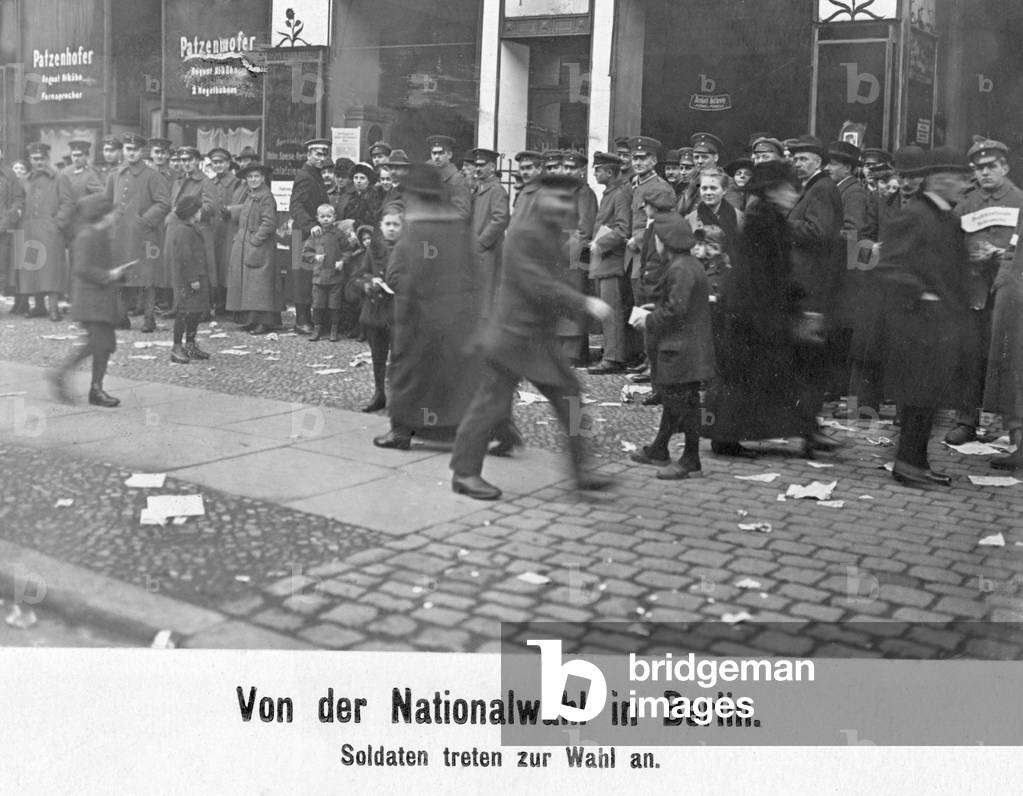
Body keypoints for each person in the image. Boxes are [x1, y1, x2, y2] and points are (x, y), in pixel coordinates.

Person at [449, 173, 614, 500]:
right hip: (512, 337)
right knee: (490, 406)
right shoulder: (525, 232)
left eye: (568, 201)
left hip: (536, 339)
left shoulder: (552, 232)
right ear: (539, 199)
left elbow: (558, 275)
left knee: (570, 400)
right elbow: (536, 282)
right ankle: (465, 474)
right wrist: (583, 303)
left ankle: (583, 473)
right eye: (557, 199)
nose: (563, 206)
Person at [876, 147, 978, 487]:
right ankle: (907, 466)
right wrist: (923, 294)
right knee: (919, 399)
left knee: (927, 399)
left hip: (938, 324)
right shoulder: (916, 214)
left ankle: (915, 462)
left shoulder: (943, 216)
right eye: (961, 179)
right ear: (941, 180)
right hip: (919, 324)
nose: (965, 185)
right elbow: (890, 266)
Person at [706, 160, 817, 458]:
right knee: (745, 376)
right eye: (787, 190)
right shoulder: (765, 222)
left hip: (754, 307)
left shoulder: (768, 218)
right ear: (772, 192)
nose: (793, 195)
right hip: (752, 310)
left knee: (761, 373)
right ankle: (725, 438)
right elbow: (764, 273)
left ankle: (806, 431)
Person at [372, 164, 481, 450]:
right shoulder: (455, 225)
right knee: (447, 376)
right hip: (453, 317)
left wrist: (401, 291)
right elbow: (471, 270)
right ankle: (451, 429)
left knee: (408, 373)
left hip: (418, 316)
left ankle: (400, 432)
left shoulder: (418, 227)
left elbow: (405, 273)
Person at [943, 138, 1023, 446]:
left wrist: (998, 252)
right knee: (968, 356)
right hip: (973, 292)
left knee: (1011, 358)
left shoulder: (1019, 200)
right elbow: (949, 244)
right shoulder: (966, 204)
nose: (985, 173)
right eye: (979, 168)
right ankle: (966, 421)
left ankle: (1015, 427)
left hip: (1008, 294)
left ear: (1005, 167)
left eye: (991, 167)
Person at [628, 212, 716, 479]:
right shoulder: (688, 264)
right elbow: (681, 305)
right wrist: (656, 308)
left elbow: (676, 311)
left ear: (663, 242)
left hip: (681, 348)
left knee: (684, 403)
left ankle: (691, 459)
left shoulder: (679, 268)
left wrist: (648, 319)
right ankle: (659, 448)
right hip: (686, 346)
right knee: (674, 400)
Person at [786, 134, 844, 449]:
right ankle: (806, 426)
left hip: (813, 288)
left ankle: (809, 427)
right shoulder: (811, 188)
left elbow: (820, 232)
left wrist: (784, 225)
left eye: (804, 158)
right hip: (805, 287)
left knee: (808, 359)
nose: (798, 162)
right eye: (794, 158)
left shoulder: (822, 189)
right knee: (804, 357)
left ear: (819, 162)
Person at [49, 194, 130, 407]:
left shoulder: (99, 233)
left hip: (99, 299)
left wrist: (116, 274)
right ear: (103, 214)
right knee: (100, 343)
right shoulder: (87, 236)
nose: (115, 216)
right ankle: (64, 376)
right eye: (112, 212)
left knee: (104, 345)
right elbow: (82, 268)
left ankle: (94, 389)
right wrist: (109, 276)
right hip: (91, 301)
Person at [105, 133, 171, 331]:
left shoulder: (152, 175)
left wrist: (145, 221)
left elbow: (164, 203)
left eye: (135, 149)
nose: (131, 153)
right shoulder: (114, 175)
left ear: (142, 151)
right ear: (123, 150)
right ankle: (121, 317)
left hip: (146, 236)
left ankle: (149, 318)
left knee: (147, 278)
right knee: (123, 276)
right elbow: (106, 202)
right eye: (127, 149)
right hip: (120, 236)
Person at [347, 211, 403, 413]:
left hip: (399, 313)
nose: (391, 228)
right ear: (380, 226)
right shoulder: (374, 249)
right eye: (387, 224)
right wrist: (369, 283)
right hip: (375, 312)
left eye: (396, 225)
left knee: (399, 359)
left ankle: (398, 399)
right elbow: (357, 277)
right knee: (378, 357)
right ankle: (379, 394)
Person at [587, 151, 632, 375]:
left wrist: (601, 243)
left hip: (612, 261)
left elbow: (624, 229)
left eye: (598, 170)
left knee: (612, 310)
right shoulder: (610, 193)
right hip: (603, 260)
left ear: (610, 172)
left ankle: (614, 358)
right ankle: (611, 354)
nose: (595, 173)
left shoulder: (620, 194)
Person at [226, 163, 283, 335]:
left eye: (256, 176)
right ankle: (252, 319)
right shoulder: (252, 195)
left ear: (263, 178)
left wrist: (256, 240)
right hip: (249, 244)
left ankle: (264, 322)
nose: (253, 180)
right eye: (250, 177)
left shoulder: (266, 197)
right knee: (251, 284)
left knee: (261, 284)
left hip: (261, 247)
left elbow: (269, 222)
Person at [17, 142, 72, 322]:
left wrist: (58, 223)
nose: (38, 162)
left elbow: (68, 203)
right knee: (32, 268)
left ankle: (54, 308)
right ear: (30, 159)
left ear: (47, 159)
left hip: (50, 231)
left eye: (41, 158)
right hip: (29, 230)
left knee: (51, 270)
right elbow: (20, 201)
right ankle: (38, 306)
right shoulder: (26, 179)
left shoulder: (59, 178)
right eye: (34, 159)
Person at [165, 146, 217, 330]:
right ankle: (178, 305)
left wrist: (189, 214)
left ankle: (202, 309)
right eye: (182, 160)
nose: (185, 163)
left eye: (189, 159)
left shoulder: (205, 181)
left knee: (198, 270)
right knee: (178, 267)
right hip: (178, 230)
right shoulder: (178, 181)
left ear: (197, 161)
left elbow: (211, 207)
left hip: (197, 231)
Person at [289, 138, 331, 335]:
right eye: (318, 154)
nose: (322, 158)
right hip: (302, 233)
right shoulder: (305, 176)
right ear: (308, 155)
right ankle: (302, 321)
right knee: (302, 276)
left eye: (324, 154)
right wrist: (311, 224)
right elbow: (295, 206)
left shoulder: (315, 175)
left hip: (308, 233)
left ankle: (307, 320)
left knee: (307, 275)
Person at [165, 195, 212, 363]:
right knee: (184, 313)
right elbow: (185, 257)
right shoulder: (184, 230)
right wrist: (193, 278)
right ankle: (177, 347)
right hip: (189, 279)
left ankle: (190, 344)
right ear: (193, 212)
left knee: (195, 312)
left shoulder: (189, 227)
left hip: (196, 277)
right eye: (199, 210)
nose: (201, 213)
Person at [303, 205, 356, 342]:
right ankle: (317, 329)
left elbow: (348, 250)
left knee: (334, 305)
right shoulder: (315, 234)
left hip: (335, 276)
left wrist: (342, 261)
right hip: (319, 276)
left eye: (328, 216)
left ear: (334, 218)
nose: (326, 219)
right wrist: (315, 257)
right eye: (322, 217)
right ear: (317, 218)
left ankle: (334, 330)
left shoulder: (339, 234)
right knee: (317, 304)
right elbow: (306, 252)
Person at [470, 148, 510, 314]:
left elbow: (500, 219)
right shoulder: (480, 189)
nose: (477, 169)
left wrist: (481, 242)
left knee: (486, 303)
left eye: (482, 165)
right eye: (476, 165)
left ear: (492, 167)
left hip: (487, 253)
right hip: (477, 252)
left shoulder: (497, 190)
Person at [207, 147, 244, 316]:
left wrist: (231, 211)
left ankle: (230, 305)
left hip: (231, 230)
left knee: (228, 267)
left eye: (221, 162)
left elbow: (245, 207)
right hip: (214, 231)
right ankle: (218, 302)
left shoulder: (238, 183)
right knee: (215, 265)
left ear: (229, 163)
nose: (218, 165)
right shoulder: (209, 183)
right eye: (215, 162)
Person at [685, 167, 744, 260]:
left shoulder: (739, 218)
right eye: (704, 188)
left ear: (724, 190)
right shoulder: (690, 219)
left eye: (713, 188)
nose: (708, 192)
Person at [0, 144, 26, 313]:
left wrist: (8, 218)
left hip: (3, 227)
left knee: (1, 266)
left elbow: (18, 199)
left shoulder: (9, 175)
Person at [425, 134, 471, 220]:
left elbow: (462, 212)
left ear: (449, 155)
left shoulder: (457, 180)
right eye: (434, 153)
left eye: (441, 153)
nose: (437, 157)